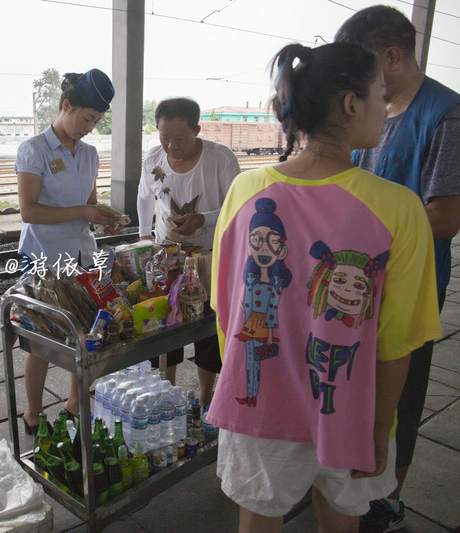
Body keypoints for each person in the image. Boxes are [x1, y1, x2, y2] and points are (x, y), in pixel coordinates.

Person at [207, 42, 441, 533]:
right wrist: (379, 431)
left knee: (259, 521)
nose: (387, 106)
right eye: (381, 94)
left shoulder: (246, 192)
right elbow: (395, 342)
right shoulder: (399, 208)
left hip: (260, 408)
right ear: (351, 104)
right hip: (348, 409)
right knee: (339, 520)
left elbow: (226, 312)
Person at [334, 6, 460, 531]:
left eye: (360, 67)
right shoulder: (370, 111)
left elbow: (446, 218)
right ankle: (348, 477)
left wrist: (360, 234)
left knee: (401, 392)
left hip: (409, 285)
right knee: (351, 383)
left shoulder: (444, 115)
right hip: (355, 282)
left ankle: (389, 496)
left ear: (391, 57)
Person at [16, 68, 120, 434]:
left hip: (83, 258)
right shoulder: (35, 150)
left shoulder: (89, 154)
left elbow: (89, 204)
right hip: (44, 258)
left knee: (85, 335)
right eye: (86, 118)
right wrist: (84, 212)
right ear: (65, 105)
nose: (90, 127)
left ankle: (75, 403)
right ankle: (32, 413)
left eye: (96, 121)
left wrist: (102, 218)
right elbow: (29, 211)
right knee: (41, 341)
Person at [137, 97, 240, 395]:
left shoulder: (221, 159)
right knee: (164, 325)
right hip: (166, 257)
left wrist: (203, 220)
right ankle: (166, 392)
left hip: (210, 259)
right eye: (164, 137)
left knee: (207, 330)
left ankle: (206, 396)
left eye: (179, 138)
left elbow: (238, 207)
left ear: (197, 129)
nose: (170, 146)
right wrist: (145, 237)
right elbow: (144, 197)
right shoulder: (154, 159)